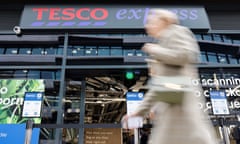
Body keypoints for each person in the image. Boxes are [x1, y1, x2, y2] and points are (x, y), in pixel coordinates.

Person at [121, 9, 218, 144]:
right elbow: (159, 85)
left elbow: (187, 55)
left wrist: (156, 51)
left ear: (163, 21)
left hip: (181, 104)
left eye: (151, 22)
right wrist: (139, 112)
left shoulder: (177, 31)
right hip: (170, 105)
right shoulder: (162, 42)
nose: (148, 26)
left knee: (195, 137)